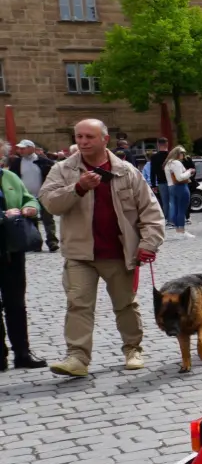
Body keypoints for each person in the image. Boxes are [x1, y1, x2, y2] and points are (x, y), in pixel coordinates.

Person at [39, 119, 165, 377]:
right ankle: (77, 357)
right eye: (79, 137)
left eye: (89, 137)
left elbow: (151, 211)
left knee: (125, 305)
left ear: (104, 139)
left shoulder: (126, 171)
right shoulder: (63, 169)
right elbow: (50, 203)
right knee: (78, 305)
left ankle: (133, 349)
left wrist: (148, 243)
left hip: (118, 252)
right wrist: (78, 188)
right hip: (79, 254)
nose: (83, 142)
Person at [0, 143, 45, 370]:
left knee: (16, 303)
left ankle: (22, 353)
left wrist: (30, 208)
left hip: (12, 250)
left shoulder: (9, 176)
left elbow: (29, 197)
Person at [9, 140, 58, 252]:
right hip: (27, 197)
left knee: (48, 219)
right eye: (19, 148)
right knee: (31, 221)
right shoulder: (17, 163)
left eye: (23, 148)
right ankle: (36, 243)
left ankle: (52, 241)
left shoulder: (45, 162)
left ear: (31, 148)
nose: (20, 150)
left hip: (44, 195)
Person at [163, 145, 196, 239]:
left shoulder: (168, 163)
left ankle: (178, 231)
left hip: (171, 187)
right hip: (180, 187)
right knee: (182, 209)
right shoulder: (176, 163)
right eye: (182, 153)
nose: (183, 155)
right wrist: (189, 171)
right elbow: (180, 177)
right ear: (178, 153)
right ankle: (181, 231)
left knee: (176, 209)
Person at [149, 137, 170, 227]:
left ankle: (168, 219)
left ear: (158, 144)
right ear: (167, 144)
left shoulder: (154, 157)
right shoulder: (170, 155)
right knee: (173, 201)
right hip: (173, 181)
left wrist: (153, 184)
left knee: (165, 202)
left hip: (161, 181)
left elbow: (152, 172)